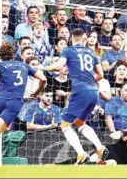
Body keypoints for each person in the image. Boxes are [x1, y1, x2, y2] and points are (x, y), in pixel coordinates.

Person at [41, 29, 108, 164]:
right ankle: (100, 148)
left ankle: (81, 153)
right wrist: (88, 81)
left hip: (80, 90)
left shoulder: (68, 50)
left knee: (65, 125)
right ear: (84, 37)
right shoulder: (92, 52)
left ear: (71, 38)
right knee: (79, 122)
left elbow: (58, 66)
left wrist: (42, 68)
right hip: (94, 92)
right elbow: (101, 75)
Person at [58, 121, 127, 165]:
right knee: (88, 159)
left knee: (112, 163)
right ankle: (58, 165)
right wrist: (118, 135)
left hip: (118, 163)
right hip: (109, 151)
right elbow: (114, 135)